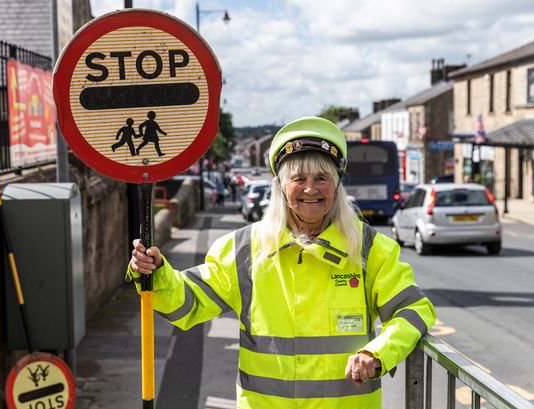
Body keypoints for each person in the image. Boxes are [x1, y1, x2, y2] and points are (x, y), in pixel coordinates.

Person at [127, 117, 436, 408]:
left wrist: (379, 352)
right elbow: (187, 303)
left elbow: (414, 309)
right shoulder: (244, 249)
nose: (311, 189)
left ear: (337, 185)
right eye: (298, 178)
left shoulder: (371, 249)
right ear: (281, 186)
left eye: (322, 178)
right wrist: (158, 273)